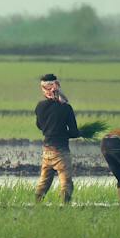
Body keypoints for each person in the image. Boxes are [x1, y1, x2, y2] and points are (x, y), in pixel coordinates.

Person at [33, 73, 81, 203]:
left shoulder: (40, 106)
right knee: (66, 183)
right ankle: (64, 209)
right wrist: (77, 133)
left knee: (43, 183)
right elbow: (74, 132)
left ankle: (36, 206)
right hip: (61, 152)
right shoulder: (66, 107)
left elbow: (39, 126)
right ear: (57, 87)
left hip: (46, 151)